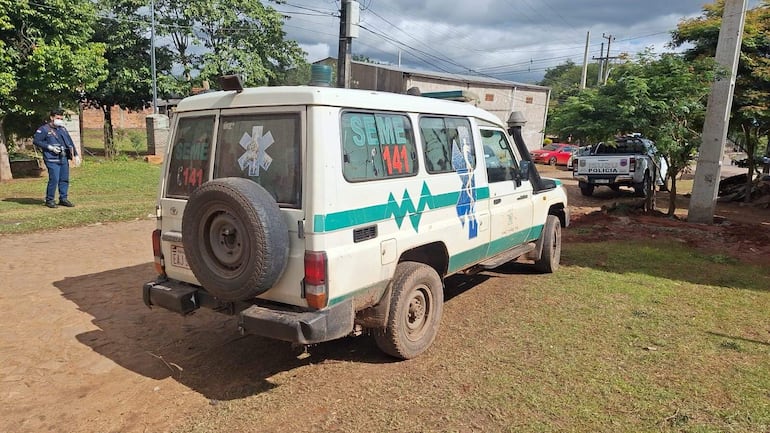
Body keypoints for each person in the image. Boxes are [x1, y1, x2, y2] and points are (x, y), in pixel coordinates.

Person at [33, 109, 81, 208]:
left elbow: (70, 142)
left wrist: (75, 155)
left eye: (61, 118)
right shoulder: (44, 129)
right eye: (57, 118)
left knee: (64, 179)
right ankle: (50, 199)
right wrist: (49, 147)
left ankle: (63, 198)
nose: (59, 120)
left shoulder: (62, 129)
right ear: (52, 117)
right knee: (54, 179)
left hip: (63, 157)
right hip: (51, 158)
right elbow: (36, 141)